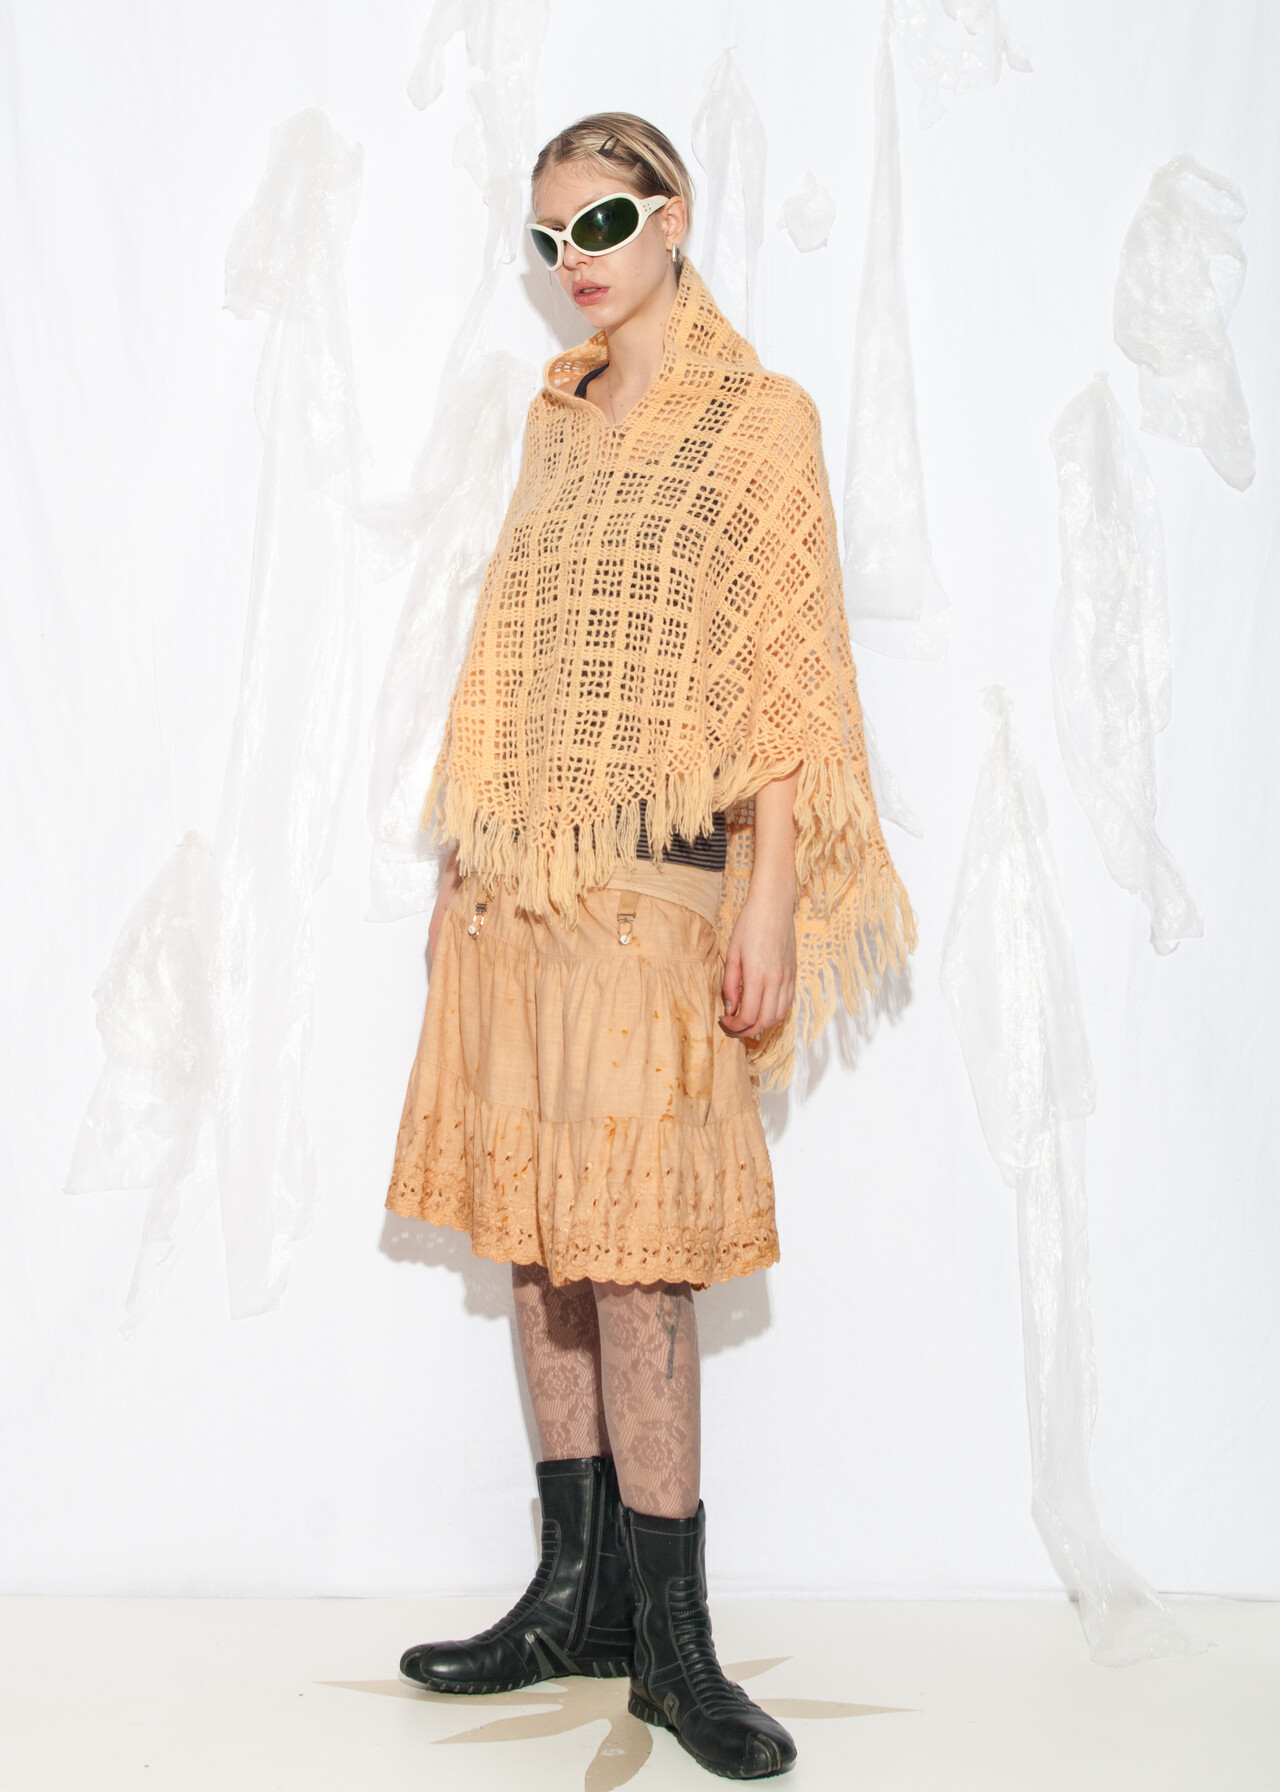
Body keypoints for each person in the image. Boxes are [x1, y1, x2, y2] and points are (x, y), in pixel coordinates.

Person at [385, 111, 915, 1782]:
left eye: (601, 223)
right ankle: (576, 1598)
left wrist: (767, 889)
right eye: (548, 240)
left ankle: (677, 1647)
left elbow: (783, 670)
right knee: (542, 1242)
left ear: (673, 216)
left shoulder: (761, 420)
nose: (576, 262)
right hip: (520, 887)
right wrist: (463, 857)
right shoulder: (556, 422)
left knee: (639, 1254)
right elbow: (519, 655)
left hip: (661, 891)